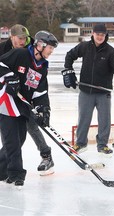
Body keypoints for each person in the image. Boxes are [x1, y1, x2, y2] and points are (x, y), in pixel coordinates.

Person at [61, 23, 114, 155]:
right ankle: (81, 143)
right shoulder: (84, 47)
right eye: (98, 34)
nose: (100, 37)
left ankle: (102, 145)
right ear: (93, 34)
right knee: (83, 118)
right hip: (86, 91)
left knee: (104, 120)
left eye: (102, 35)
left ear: (105, 35)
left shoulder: (110, 51)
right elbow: (69, 55)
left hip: (103, 92)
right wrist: (68, 70)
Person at [0, 30, 58, 187]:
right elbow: (1, 64)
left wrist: (44, 110)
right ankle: (17, 174)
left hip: (22, 103)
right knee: (12, 141)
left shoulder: (42, 66)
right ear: (40, 45)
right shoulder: (20, 54)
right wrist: (9, 77)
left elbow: (40, 92)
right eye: (50, 48)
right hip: (6, 101)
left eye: (53, 48)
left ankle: (1, 171)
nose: (51, 51)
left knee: (20, 139)